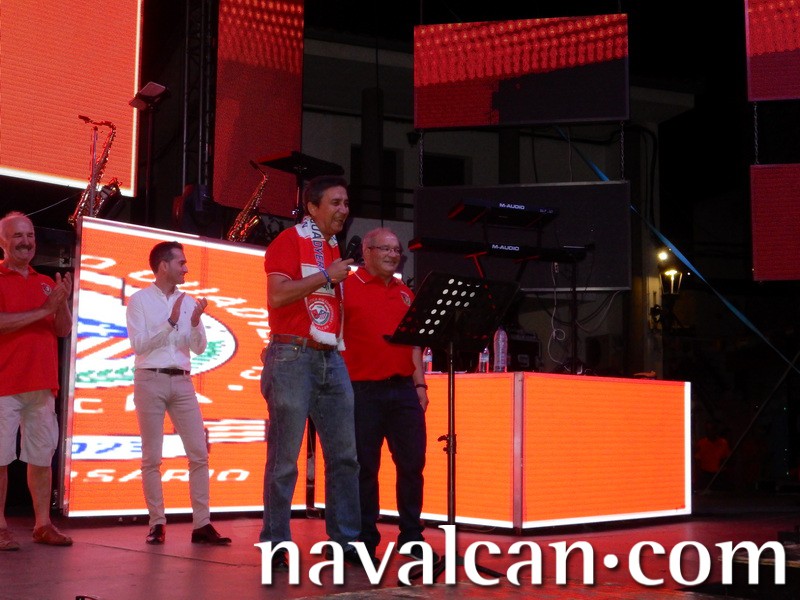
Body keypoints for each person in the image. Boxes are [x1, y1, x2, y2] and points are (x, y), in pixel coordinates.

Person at [260, 174, 360, 569]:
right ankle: (275, 543)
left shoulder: (332, 247)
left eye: (346, 203)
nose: (343, 210)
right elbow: (277, 295)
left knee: (345, 457)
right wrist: (326, 275)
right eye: (335, 203)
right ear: (312, 207)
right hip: (292, 356)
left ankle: (346, 541)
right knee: (284, 460)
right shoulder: (289, 241)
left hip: (329, 355)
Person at [126, 241, 230, 546]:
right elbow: (139, 345)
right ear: (163, 266)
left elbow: (199, 348)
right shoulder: (139, 300)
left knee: (199, 452)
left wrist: (195, 324)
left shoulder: (189, 301)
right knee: (152, 457)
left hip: (183, 381)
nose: (186, 269)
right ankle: (157, 523)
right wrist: (170, 322)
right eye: (181, 263)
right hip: (150, 378)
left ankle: (202, 524)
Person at [341, 227, 436, 561]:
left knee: (412, 465)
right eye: (386, 249)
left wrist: (420, 385)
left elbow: (414, 344)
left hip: (403, 390)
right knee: (364, 468)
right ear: (366, 252)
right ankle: (365, 539)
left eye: (397, 251)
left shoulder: (405, 293)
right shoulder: (345, 288)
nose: (393, 255)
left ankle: (411, 536)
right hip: (361, 391)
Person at [0, 211, 73, 550]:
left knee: (42, 457)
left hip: (43, 385)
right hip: (4, 384)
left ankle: (43, 525)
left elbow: (62, 330)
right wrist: (45, 308)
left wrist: (62, 304)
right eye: (18, 235)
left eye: (29, 235)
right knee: (0, 460)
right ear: (2, 241)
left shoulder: (45, 281)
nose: (26, 242)